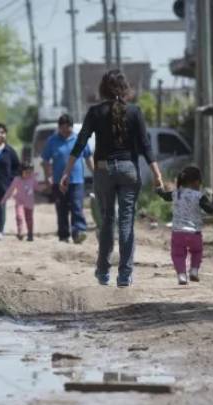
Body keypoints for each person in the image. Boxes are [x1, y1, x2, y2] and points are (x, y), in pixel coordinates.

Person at [60, 69, 164, 287]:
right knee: (127, 222)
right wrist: (157, 175)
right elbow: (146, 146)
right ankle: (125, 275)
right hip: (128, 170)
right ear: (124, 89)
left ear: (102, 89)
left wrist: (66, 172)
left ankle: (103, 272)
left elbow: (80, 143)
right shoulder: (134, 112)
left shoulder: (95, 112)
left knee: (107, 220)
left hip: (103, 170)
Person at [156, 166, 213, 285]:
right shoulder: (199, 196)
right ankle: (194, 271)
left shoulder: (176, 194)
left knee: (178, 254)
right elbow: (210, 209)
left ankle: (181, 275)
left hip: (178, 233)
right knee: (197, 252)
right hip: (195, 233)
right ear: (197, 182)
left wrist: (159, 190)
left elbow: (165, 196)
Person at [42, 114, 94, 243]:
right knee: (62, 208)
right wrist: (48, 177)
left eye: (68, 127)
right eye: (62, 127)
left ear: (72, 127)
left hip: (77, 181)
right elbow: (46, 160)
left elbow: (88, 157)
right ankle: (64, 235)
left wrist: (95, 173)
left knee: (77, 207)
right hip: (58, 181)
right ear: (59, 127)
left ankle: (79, 232)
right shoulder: (52, 141)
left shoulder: (79, 139)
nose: (65, 130)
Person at [0, 164, 40, 241]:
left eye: (30, 172)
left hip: (29, 203)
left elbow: (38, 188)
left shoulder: (32, 179)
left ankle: (30, 234)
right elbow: (10, 190)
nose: (28, 174)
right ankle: (20, 232)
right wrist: (4, 200)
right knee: (19, 216)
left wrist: (48, 185)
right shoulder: (17, 179)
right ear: (21, 172)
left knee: (29, 219)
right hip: (19, 202)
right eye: (26, 172)